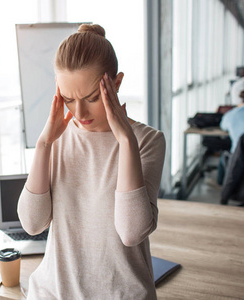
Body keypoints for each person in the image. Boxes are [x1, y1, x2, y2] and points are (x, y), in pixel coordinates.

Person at [17, 24, 166, 299]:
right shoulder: (57, 138)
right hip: (52, 292)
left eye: (92, 98)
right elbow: (33, 224)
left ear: (116, 84)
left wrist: (126, 142)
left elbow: (131, 232)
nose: (80, 112)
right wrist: (43, 145)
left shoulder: (147, 141)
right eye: (69, 99)